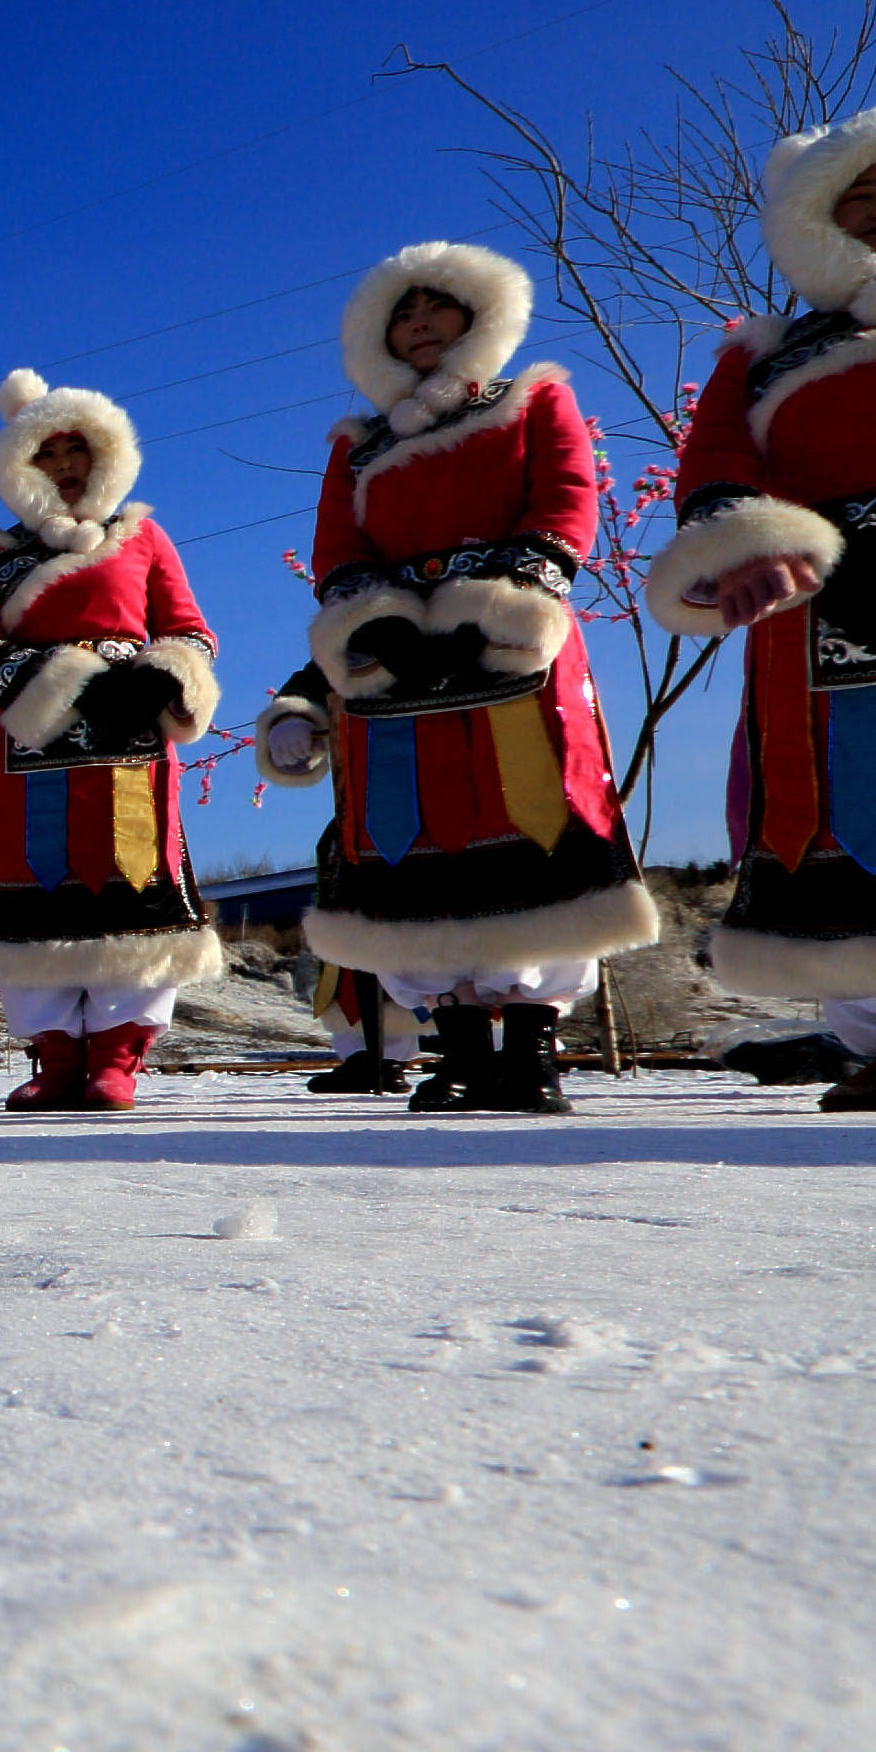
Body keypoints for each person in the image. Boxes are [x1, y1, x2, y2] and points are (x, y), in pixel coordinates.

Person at [253, 245, 657, 1116]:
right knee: (415, 834)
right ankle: (459, 1044)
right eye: (405, 313)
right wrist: (378, 618)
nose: (423, 322)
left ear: (480, 320)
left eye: (441, 307)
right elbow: (338, 548)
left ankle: (531, 1046)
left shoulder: (531, 401)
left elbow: (564, 498)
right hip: (394, 665)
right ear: (379, 337)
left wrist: (507, 597)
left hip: (507, 647)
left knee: (528, 820)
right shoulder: (357, 451)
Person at [648, 97, 876, 1112]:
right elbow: (718, 465)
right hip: (825, 622)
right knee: (844, 818)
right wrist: (745, 543)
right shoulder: (768, 352)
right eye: (859, 193)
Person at [0, 371, 225, 1110]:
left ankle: (117, 1057)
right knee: (36, 887)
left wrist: (166, 676)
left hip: (128, 742)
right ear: (20, 466)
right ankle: (57, 1057)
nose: (65, 466)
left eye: (78, 450)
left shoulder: (142, 536)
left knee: (127, 884)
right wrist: (52, 676)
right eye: (47, 453)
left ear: (106, 456)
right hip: (29, 751)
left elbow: (188, 627)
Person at [251, 660, 414, 1095]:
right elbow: (318, 674)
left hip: (475, 783)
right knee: (348, 898)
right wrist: (292, 714)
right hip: (372, 797)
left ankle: (503, 1044)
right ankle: (371, 1049)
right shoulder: (355, 615)